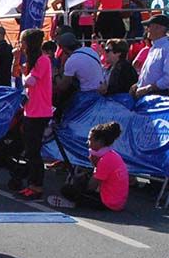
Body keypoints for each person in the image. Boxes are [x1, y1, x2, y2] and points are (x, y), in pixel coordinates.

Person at [48, 122, 128, 211]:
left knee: (68, 189)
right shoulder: (112, 155)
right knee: (80, 182)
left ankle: (72, 204)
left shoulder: (105, 160)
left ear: (100, 142)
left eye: (90, 140)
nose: (88, 143)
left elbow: (92, 186)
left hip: (109, 203)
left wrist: (80, 184)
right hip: (117, 200)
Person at [12, 29, 53, 201]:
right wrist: (16, 58)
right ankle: (31, 184)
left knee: (34, 151)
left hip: (40, 112)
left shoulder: (43, 60)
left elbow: (29, 81)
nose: (21, 45)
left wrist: (22, 74)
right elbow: (15, 75)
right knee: (29, 150)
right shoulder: (32, 61)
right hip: (31, 110)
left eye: (23, 42)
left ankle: (36, 186)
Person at [55, 31, 105, 107]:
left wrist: (55, 75)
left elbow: (63, 86)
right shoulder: (90, 51)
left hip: (87, 94)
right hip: (101, 90)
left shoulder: (72, 60)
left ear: (64, 48)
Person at [130, 14, 169, 100]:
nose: (147, 29)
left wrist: (148, 88)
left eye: (149, 26)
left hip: (160, 99)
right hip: (149, 97)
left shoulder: (166, 48)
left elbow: (168, 79)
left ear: (159, 28)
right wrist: (138, 84)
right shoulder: (154, 48)